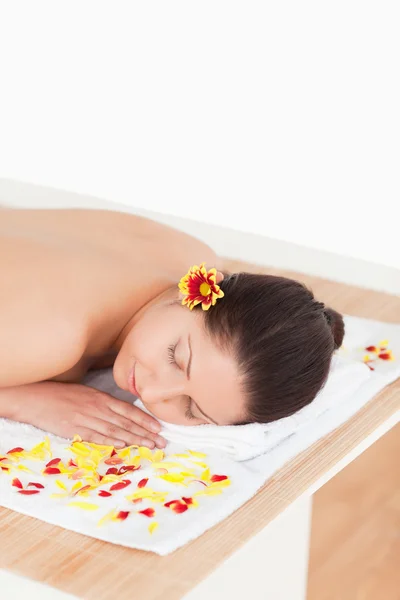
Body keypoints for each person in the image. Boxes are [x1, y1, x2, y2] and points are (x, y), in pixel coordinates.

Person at [0, 206, 345, 450]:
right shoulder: (53, 337)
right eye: (175, 358)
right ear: (192, 293)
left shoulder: (193, 253)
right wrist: (26, 401)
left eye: (190, 409)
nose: (152, 393)